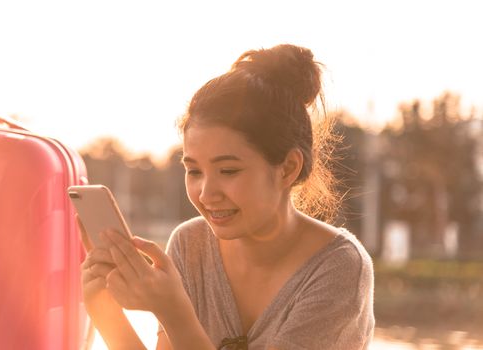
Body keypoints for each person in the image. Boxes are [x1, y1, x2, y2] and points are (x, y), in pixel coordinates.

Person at [80, 44, 375, 350]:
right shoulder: (190, 245)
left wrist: (174, 312)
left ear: (287, 168)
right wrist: (105, 311)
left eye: (229, 171)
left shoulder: (340, 268)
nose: (206, 194)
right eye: (194, 172)